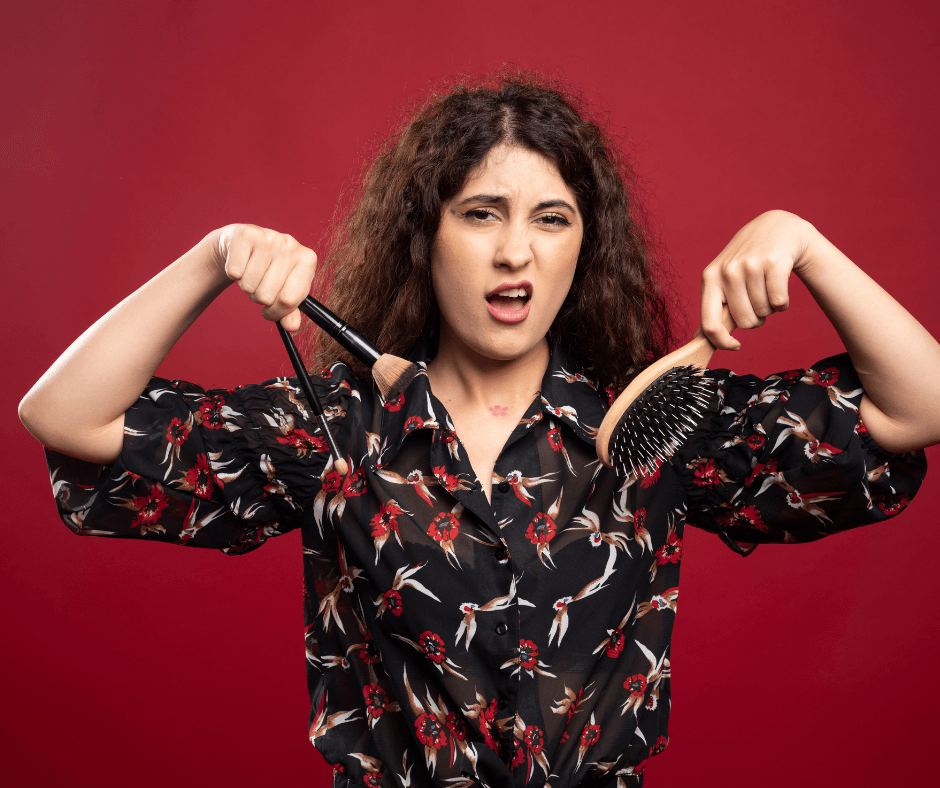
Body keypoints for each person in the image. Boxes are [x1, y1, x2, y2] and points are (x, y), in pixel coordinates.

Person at [18, 74, 937, 787]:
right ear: (427, 235)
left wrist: (800, 239)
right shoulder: (337, 428)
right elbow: (63, 416)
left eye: (551, 218)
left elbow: (920, 407)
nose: (514, 252)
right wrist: (212, 257)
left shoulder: (652, 427)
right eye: (481, 214)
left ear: (587, 244)